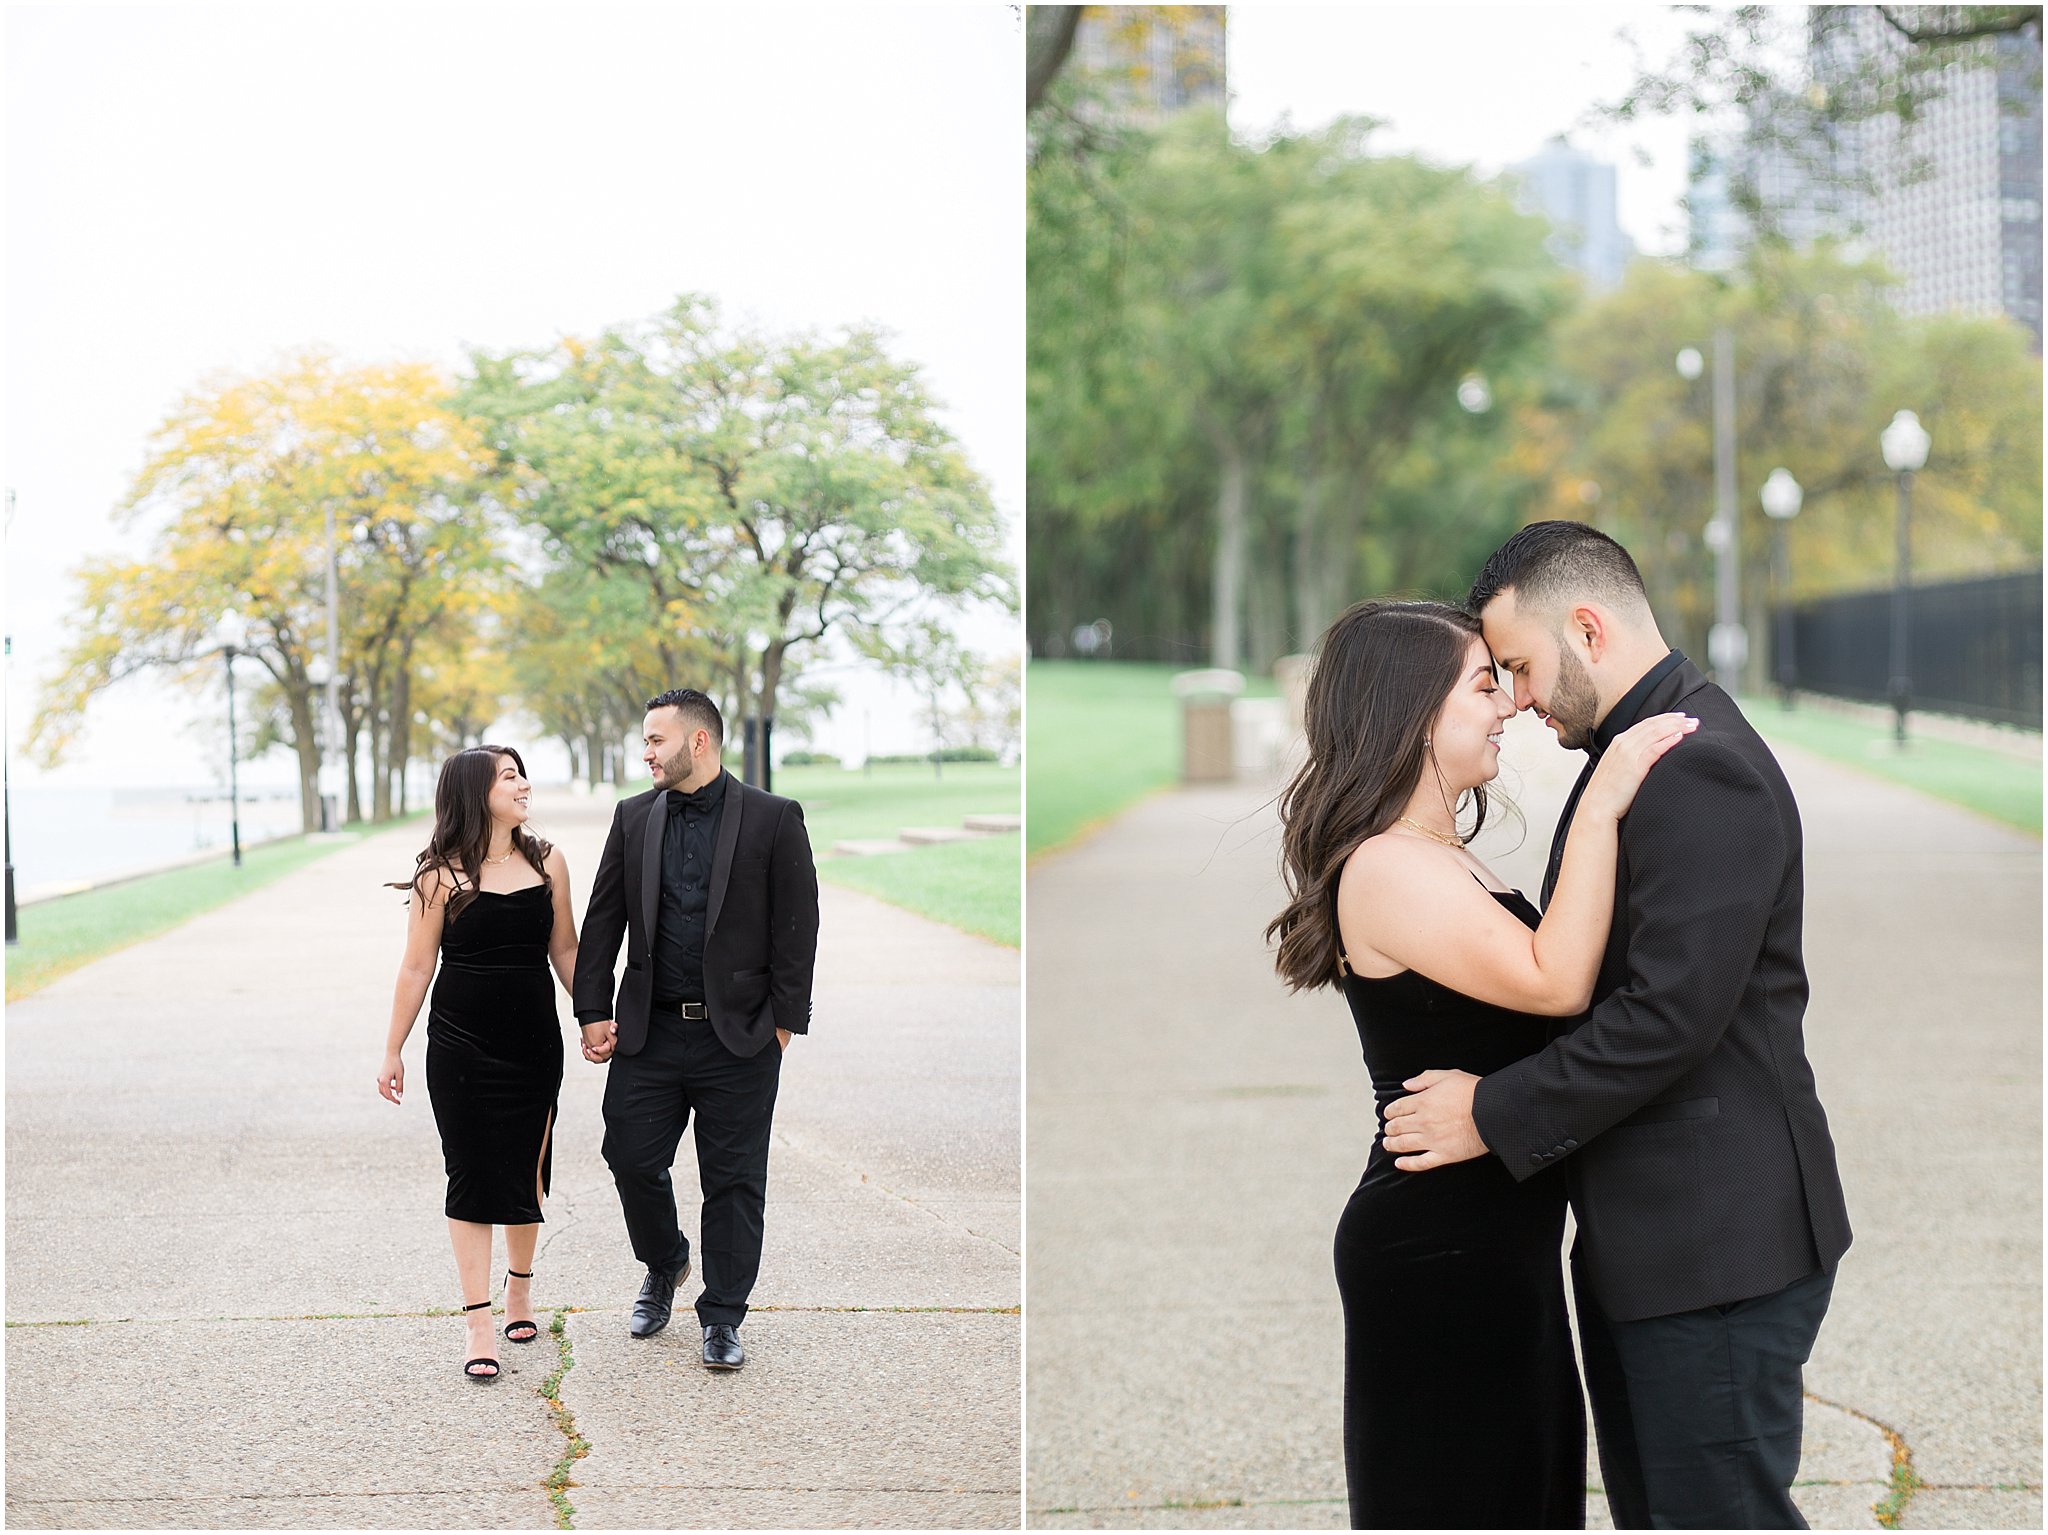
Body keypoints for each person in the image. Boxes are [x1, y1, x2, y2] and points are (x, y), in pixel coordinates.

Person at [1382, 522, 1853, 1530]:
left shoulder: (1695, 762)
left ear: (1587, 628)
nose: (1513, 697)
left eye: (1516, 664)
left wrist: (1490, 1111)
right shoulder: (1640, 752)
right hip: (1657, 1244)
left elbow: (1666, 1018)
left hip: (1715, 1247)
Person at [1268, 598, 1695, 1530]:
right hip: (1438, 1257)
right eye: (1481, 682)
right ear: (1414, 710)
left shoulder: (1442, 856)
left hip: (1502, 1254)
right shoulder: (1385, 867)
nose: (1505, 703)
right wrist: (1610, 785)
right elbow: (1555, 981)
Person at [572, 687, 819, 1371]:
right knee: (629, 1154)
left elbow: (798, 926)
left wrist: (782, 1027)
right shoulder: (633, 818)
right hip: (648, 1033)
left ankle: (723, 1316)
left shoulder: (773, 818)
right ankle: (665, 1260)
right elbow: (603, 919)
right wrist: (593, 1006)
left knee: (734, 1179)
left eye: (656, 739)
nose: (646, 751)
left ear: (698, 741)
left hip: (738, 1037)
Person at [378, 745, 580, 1383]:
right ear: (475, 792)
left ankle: (520, 1289)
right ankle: (478, 1321)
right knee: (469, 1175)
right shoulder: (440, 876)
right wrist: (392, 1049)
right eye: (508, 776)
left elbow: (566, 949)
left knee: (525, 1171)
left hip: (533, 1045)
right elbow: (417, 966)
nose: (523, 785)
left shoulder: (548, 862)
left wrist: (596, 1014)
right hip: (460, 1046)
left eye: (522, 774)